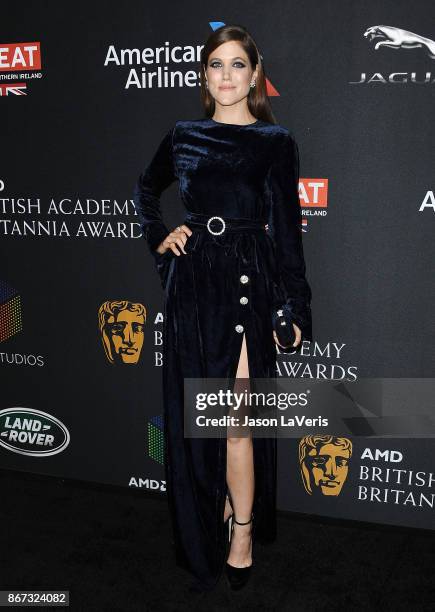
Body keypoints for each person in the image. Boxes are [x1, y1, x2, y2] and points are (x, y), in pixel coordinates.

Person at [132, 24, 313, 591]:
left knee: (236, 422)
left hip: (247, 282)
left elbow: (287, 232)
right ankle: (204, 523)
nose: (227, 75)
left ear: (256, 75)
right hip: (193, 285)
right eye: (216, 65)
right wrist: (163, 238)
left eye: (238, 65)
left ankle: (242, 531)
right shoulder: (184, 134)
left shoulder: (275, 142)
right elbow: (145, 189)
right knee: (197, 427)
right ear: (205, 76)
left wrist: (294, 307)